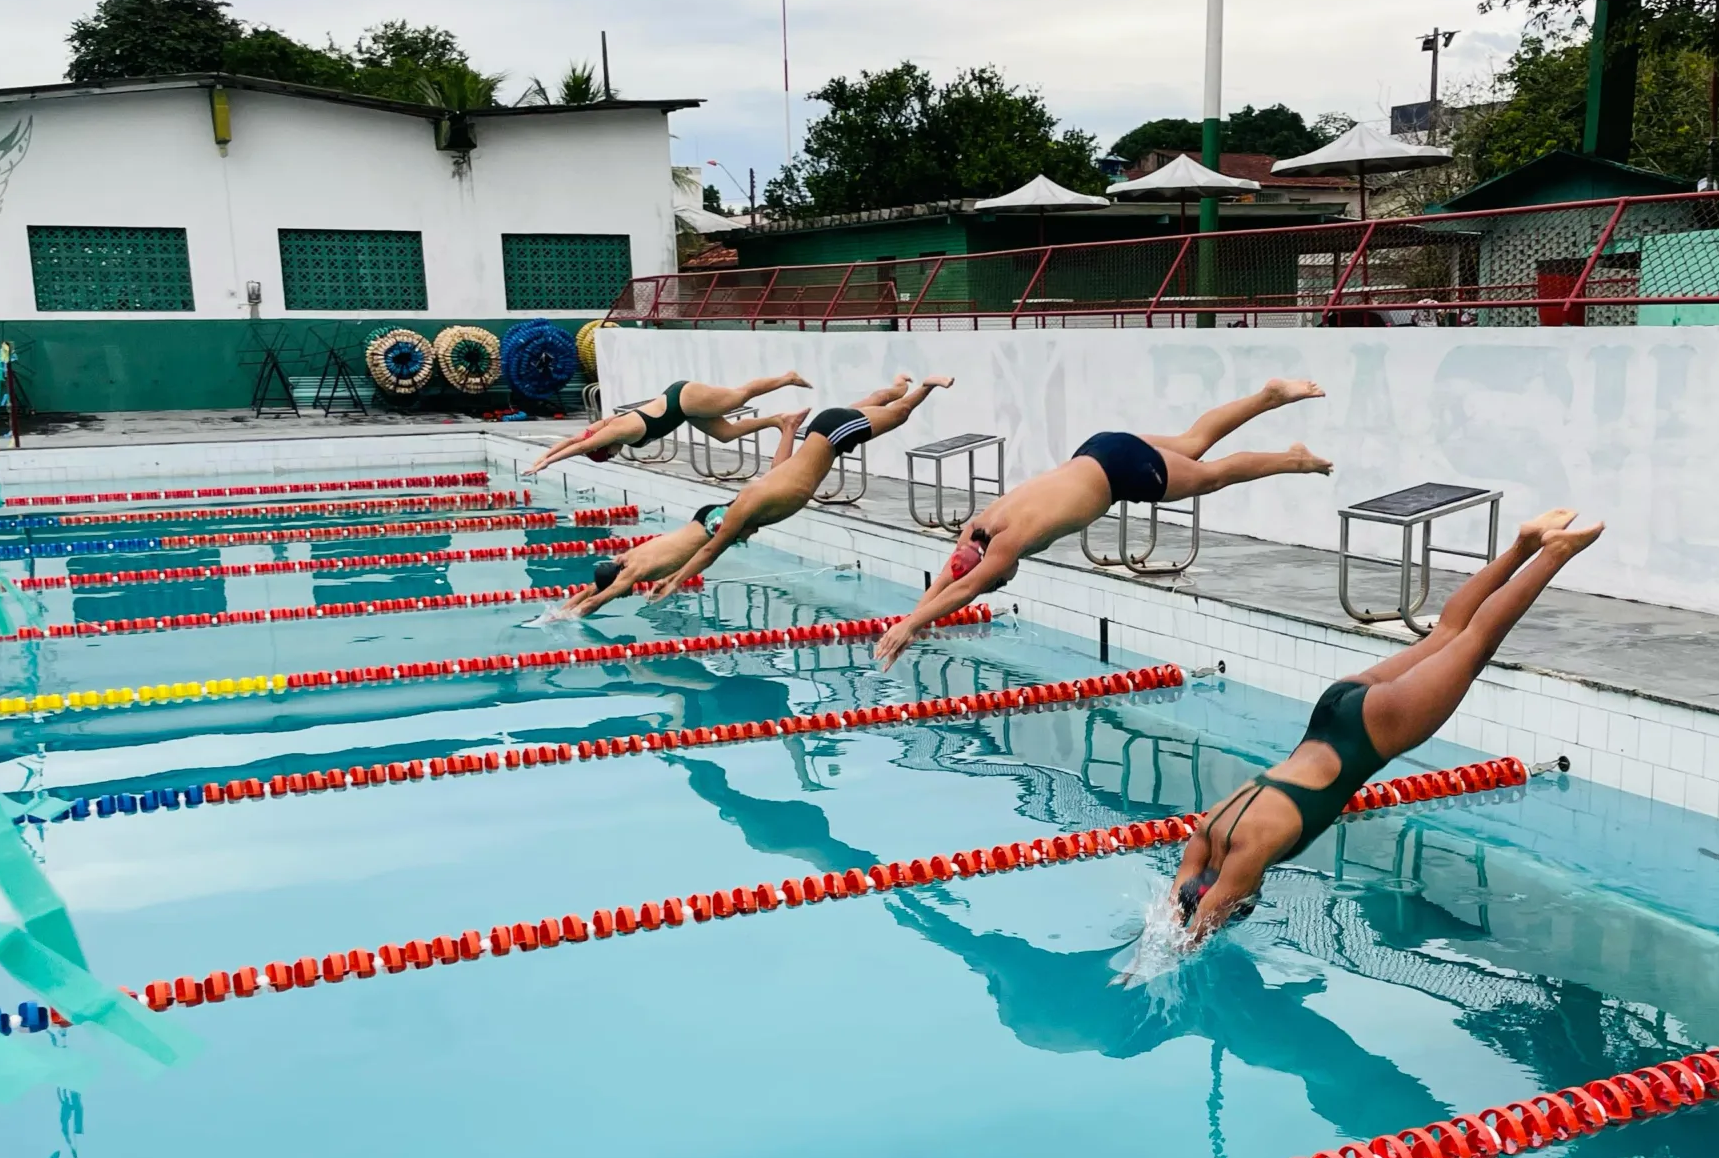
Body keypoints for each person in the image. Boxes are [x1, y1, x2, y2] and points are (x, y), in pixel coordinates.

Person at [1170, 508, 1602, 940]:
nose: (1253, 893)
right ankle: (1523, 545)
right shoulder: (1209, 829)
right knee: (1446, 632)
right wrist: (1161, 934)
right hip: (1333, 710)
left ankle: (1552, 555)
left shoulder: (1247, 858)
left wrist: (1186, 945)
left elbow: (1208, 912)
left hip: (1372, 732)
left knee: (1474, 644)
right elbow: (1184, 893)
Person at [871, 378, 1331, 665]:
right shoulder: (978, 526)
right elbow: (955, 575)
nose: (1003, 581)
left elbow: (966, 587)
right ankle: (1267, 397)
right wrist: (914, 615)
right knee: (1192, 442)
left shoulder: (1003, 546)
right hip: (1098, 448)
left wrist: (911, 626)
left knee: (1211, 476)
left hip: (1120, 473)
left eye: (999, 582)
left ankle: (1293, 460)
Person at [639, 374, 952, 603]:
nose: (748, 538)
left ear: (732, 524)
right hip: (825, 429)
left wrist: (673, 581)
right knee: (874, 404)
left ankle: (926, 384)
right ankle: (898, 384)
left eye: (739, 537)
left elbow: (709, 550)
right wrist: (788, 429)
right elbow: (779, 468)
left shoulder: (746, 507)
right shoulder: (762, 496)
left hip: (834, 432)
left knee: (899, 413)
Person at [549, 414, 814, 620]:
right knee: (769, 485)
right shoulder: (624, 560)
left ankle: (792, 431)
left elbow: (596, 600)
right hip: (704, 518)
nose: (620, 594)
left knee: (773, 489)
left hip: (713, 526)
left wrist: (563, 620)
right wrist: (554, 614)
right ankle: (787, 427)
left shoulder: (632, 573)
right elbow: (590, 590)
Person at [521, 370, 808, 473]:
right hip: (683, 409)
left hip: (685, 397)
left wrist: (548, 464)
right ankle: (777, 421)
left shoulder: (618, 431)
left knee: (738, 396)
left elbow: (579, 447)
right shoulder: (608, 429)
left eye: (607, 456)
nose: (613, 456)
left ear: (606, 449)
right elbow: (575, 440)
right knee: (726, 434)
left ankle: (787, 378)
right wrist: (541, 458)